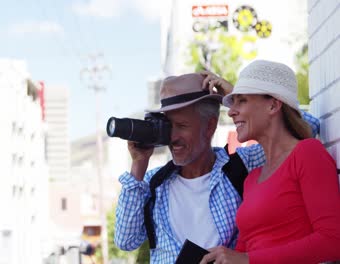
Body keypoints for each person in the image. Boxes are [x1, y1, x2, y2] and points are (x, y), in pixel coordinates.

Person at [114, 72, 320, 263]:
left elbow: (307, 127)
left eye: (182, 126)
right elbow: (126, 241)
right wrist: (139, 163)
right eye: (168, 126)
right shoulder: (153, 182)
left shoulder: (243, 165)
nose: (173, 137)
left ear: (210, 126)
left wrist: (234, 97)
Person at [199, 60, 340, 264]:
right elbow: (243, 252)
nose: (230, 111)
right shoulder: (253, 178)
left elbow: (333, 241)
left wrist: (248, 259)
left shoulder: (308, 154)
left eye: (242, 101)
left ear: (273, 105)